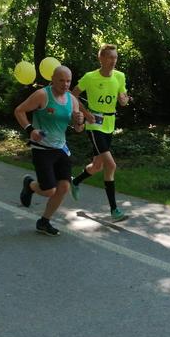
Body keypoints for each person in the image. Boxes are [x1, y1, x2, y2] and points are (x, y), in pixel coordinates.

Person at [14, 65, 85, 236]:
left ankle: (44, 222)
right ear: (52, 79)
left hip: (60, 148)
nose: (65, 84)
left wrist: (79, 121)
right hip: (42, 148)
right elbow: (19, 111)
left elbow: (78, 129)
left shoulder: (72, 100)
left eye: (68, 81)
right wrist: (30, 130)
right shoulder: (42, 95)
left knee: (64, 187)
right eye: (61, 80)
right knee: (49, 190)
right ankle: (30, 185)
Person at [70, 44, 130, 221]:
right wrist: (86, 114)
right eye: (110, 57)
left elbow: (124, 100)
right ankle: (114, 210)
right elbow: (73, 94)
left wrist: (124, 99)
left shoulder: (120, 76)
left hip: (109, 124)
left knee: (97, 166)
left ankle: (75, 181)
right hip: (95, 124)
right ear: (101, 59)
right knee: (110, 165)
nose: (113, 61)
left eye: (115, 58)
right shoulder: (90, 77)